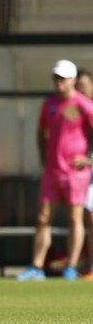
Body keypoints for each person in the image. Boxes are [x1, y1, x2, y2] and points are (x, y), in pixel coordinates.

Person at [17, 60, 93, 280]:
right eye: (56, 78)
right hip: (52, 172)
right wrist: (43, 156)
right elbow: (41, 132)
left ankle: (71, 266)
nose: (58, 82)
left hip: (75, 174)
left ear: (73, 80)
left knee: (74, 219)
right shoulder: (48, 104)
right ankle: (36, 267)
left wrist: (89, 159)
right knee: (42, 218)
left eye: (63, 78)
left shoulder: (84, 104)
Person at [74, 69, 93, 280]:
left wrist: (89, 160)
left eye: (83, 85)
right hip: (80, 173)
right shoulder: (73, 110)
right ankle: (87, 263)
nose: (79, 89)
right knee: (83, 217)